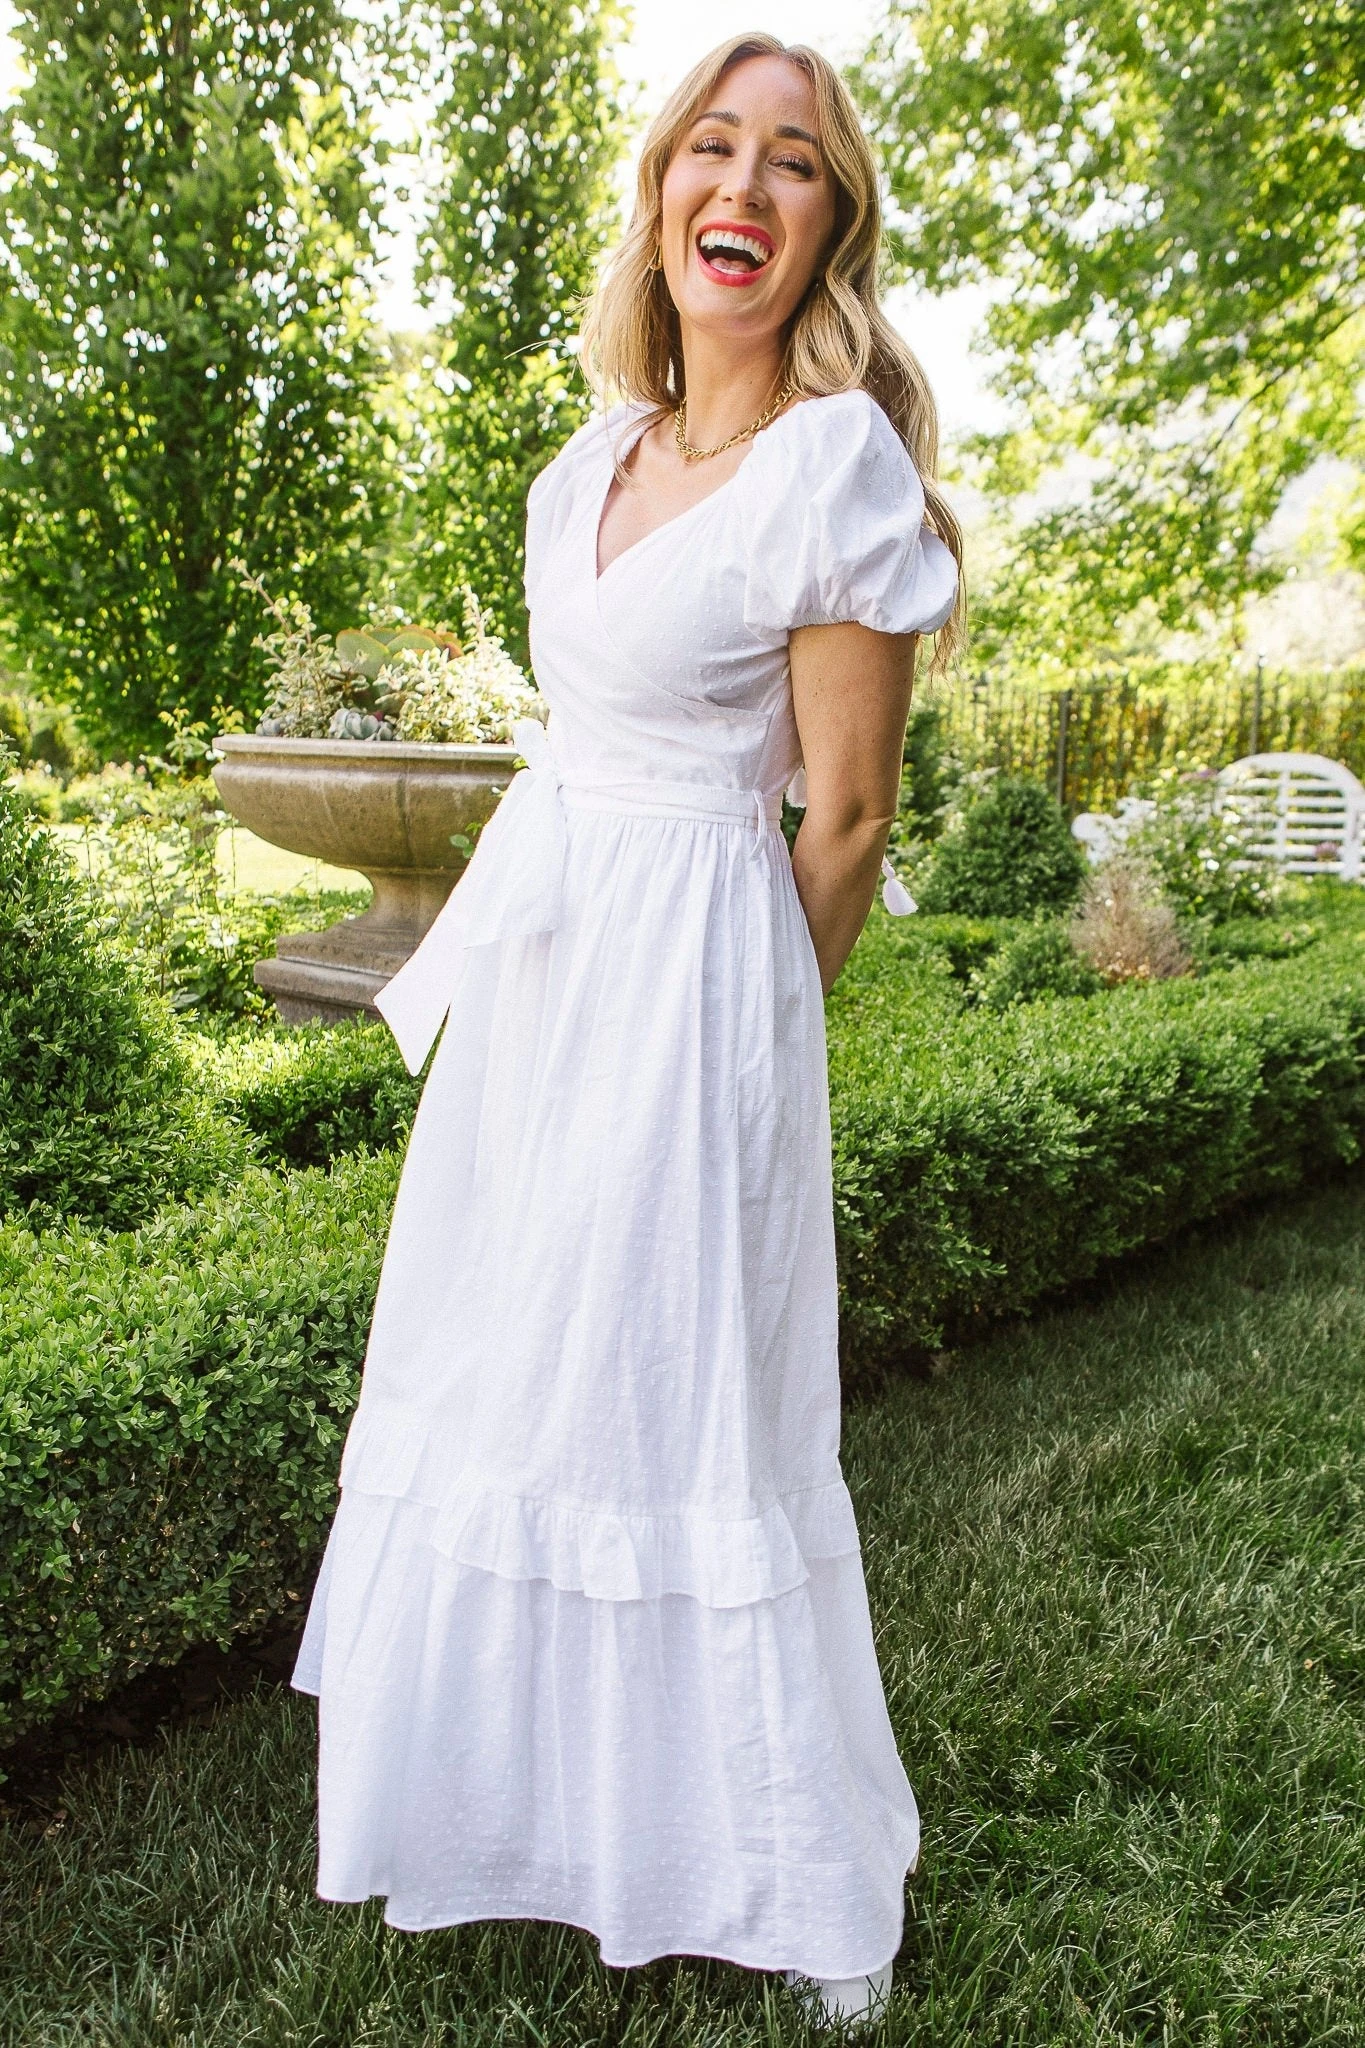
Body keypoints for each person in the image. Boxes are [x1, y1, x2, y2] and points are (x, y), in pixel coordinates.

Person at [291, 30, 964, 2032]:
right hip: (542, 979)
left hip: (693, 992)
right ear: (662, 191)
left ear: (829, 226)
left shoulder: (833, 469)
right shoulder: (583, 464)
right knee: (516, 1372)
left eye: (792, 163)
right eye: (710, 149)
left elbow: (847, 819)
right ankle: (526, 1816)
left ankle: (781, 1867)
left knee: (681, 1409)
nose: (741, 189)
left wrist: (739, 1053)